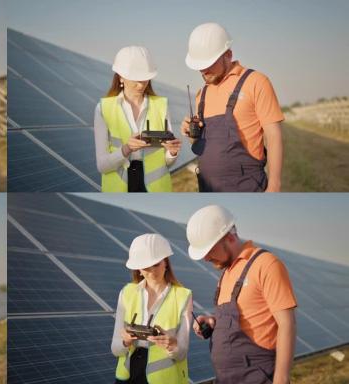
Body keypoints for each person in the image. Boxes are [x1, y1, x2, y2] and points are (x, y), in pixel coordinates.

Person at [187, 205, 297, 384]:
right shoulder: (226, 273)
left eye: (209, 251)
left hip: (258, 377)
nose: (206, 258)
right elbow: (244, 317)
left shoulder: (267, 265)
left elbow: (287, 324)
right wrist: (213, 321)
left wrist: (281, 379)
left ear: (229, 238)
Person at [181, 23, 284, 192]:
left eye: (209, 64)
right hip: (207, 187)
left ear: (228, 55)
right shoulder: (202, 94)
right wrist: (190, 134)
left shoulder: (256, 82)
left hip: (246, 185)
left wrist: (274, 185)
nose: (203, 71)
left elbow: (274, 136)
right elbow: (200, 145)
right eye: (199, 66)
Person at [94, 46, 182, 193]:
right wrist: (126, 149)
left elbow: (166, 163)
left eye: (145, 79)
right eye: (135, 79)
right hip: (118, 189)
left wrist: (172, 153)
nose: (141, 84)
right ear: (120, 76)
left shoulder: (161, 106)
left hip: (156, 190)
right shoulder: (103, 109)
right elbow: (102, 166)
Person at [112, 234, 192, 383]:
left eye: (156, 264)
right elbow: (115, 349)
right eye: (145, 267)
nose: (152, 271)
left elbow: (181, 353)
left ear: (166, 263)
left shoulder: (183, 296)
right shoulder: (126, 293)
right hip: (128, 377)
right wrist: (125, 342)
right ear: (139, 269)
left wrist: (172, 345)